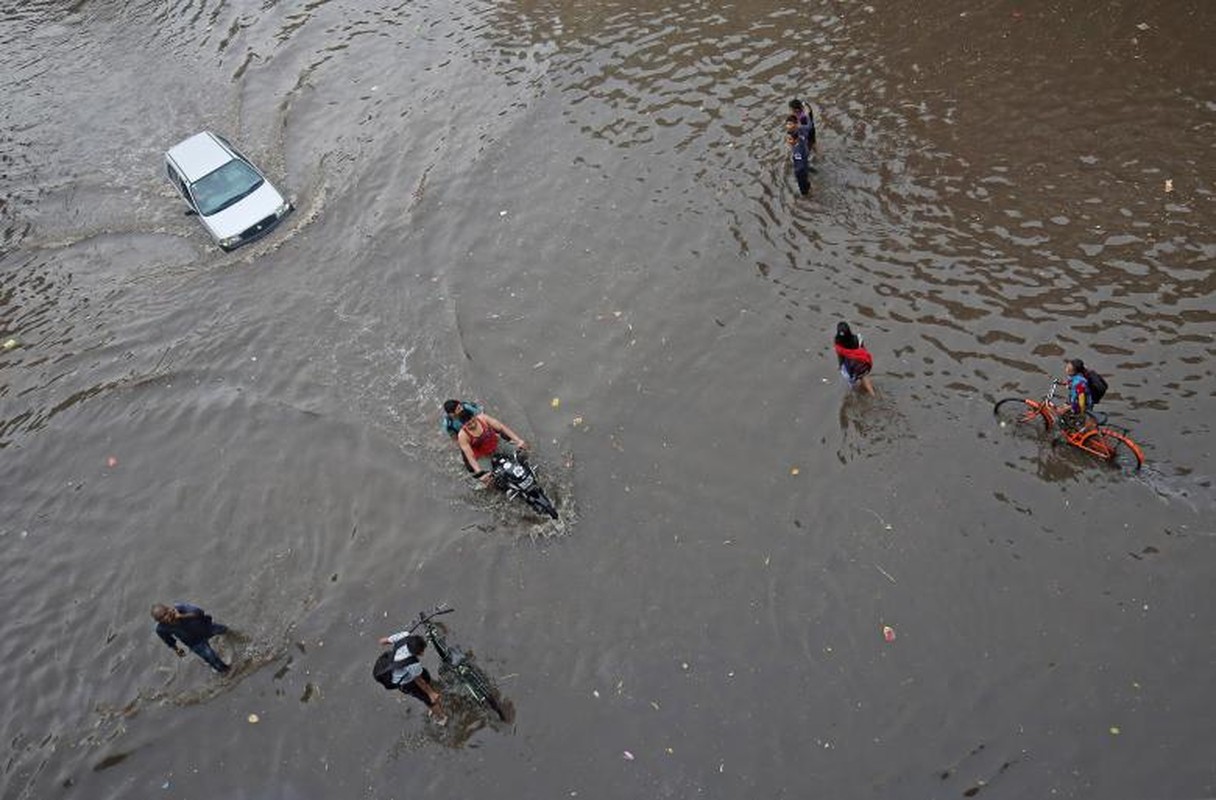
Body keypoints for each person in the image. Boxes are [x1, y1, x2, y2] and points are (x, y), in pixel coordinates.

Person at [374, 631, 446, 723]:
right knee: (428, 699)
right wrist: (431, 694)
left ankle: (433, 705)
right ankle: (441, 717)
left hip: (393, 666)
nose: (423, 654)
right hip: (406, 682)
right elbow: (419, 681)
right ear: (417, 653)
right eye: (421, 652)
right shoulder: (413, 665)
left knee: (425, 675)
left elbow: (383, 641)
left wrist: (385, 642)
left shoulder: (404, 635)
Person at [456, 407, 528, 484]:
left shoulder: (483, 418)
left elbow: (502, 427)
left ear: (474, 417)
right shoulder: (463, 436)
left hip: (497, 444)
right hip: (482, 455)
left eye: (473, 421)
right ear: (463, 424)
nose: (473, 425)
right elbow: (470, 456)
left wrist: (518, 440)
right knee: (489, 480)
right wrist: (479, 472)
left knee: (522, 453)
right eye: (469, 424)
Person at [152, 602, 230, 673]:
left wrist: (181, 616)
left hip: (206, 628)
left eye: (165, 614)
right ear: (158, 621)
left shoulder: (181, 608)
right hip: (195, 642)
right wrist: (176, 649)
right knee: (212, 658)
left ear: (169, 609)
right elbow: (168, 640)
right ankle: (226, 672)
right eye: (161, 618)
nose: (165, 618)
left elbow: (200, 612)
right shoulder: (162, 628)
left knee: (227, 632)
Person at [834, 321, 875, 395]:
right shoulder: (857, 339)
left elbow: (840, 358)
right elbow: (863, 350)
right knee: (866, 381)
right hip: (861, 365)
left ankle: (856, 396)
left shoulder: (838, 344)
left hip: (850, 367)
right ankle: (873, 395)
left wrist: (840, 366)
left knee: (853, 386)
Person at [1055, 358, 1091, 430]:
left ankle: (1072, 431)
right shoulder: (1075, 377)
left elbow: (1081, 401)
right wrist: (1063, 383)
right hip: (1074, 400)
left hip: (1080, 405)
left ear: (1074, 371)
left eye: (1068, 368)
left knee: (1061, 413)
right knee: (1063, 412)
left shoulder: (1079, 384)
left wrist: (1070, 408)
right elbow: (1070, 381)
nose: (1066, 369)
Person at [787, 127, 811, 197]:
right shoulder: (801, 140)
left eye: (790, 139)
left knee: (803, 191)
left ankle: (808, 197)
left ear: (796, 139)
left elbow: (800, 166)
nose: (788, 141)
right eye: (788, 139)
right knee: (807, 183)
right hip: (806, 166)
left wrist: (796, 173)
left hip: (801, 173)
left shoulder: (796, 151)